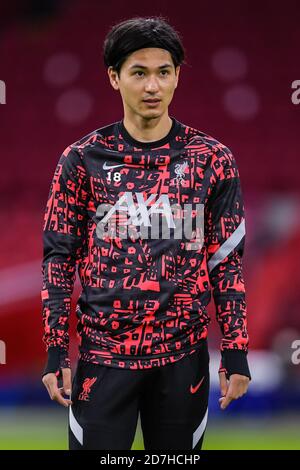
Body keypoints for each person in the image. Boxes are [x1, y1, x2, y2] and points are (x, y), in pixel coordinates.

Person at [41, 16, 251, 451]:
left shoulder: (212, 159)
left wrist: (235, 352)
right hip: (103, 358)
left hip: (182, 361)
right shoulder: (81, 159)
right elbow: (58, 260)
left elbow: (226, 264)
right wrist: (56, 351)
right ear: (114, 78)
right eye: (139, 72)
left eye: (164, 72)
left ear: (177, 77)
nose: (152, 86)